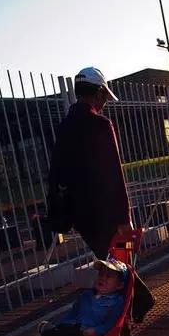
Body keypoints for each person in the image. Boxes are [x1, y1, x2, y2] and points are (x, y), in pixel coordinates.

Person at [47, 67, 131, 259]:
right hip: (107, 214)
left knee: (108, 264)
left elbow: (57, 171)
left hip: (80, 217)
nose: (105, 103)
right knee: (123, 267)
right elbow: (113, 174)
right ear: (99, 92)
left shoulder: (64, 127)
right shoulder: (100, 125)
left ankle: (111, 286)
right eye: (105, 96)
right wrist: (124, 219)